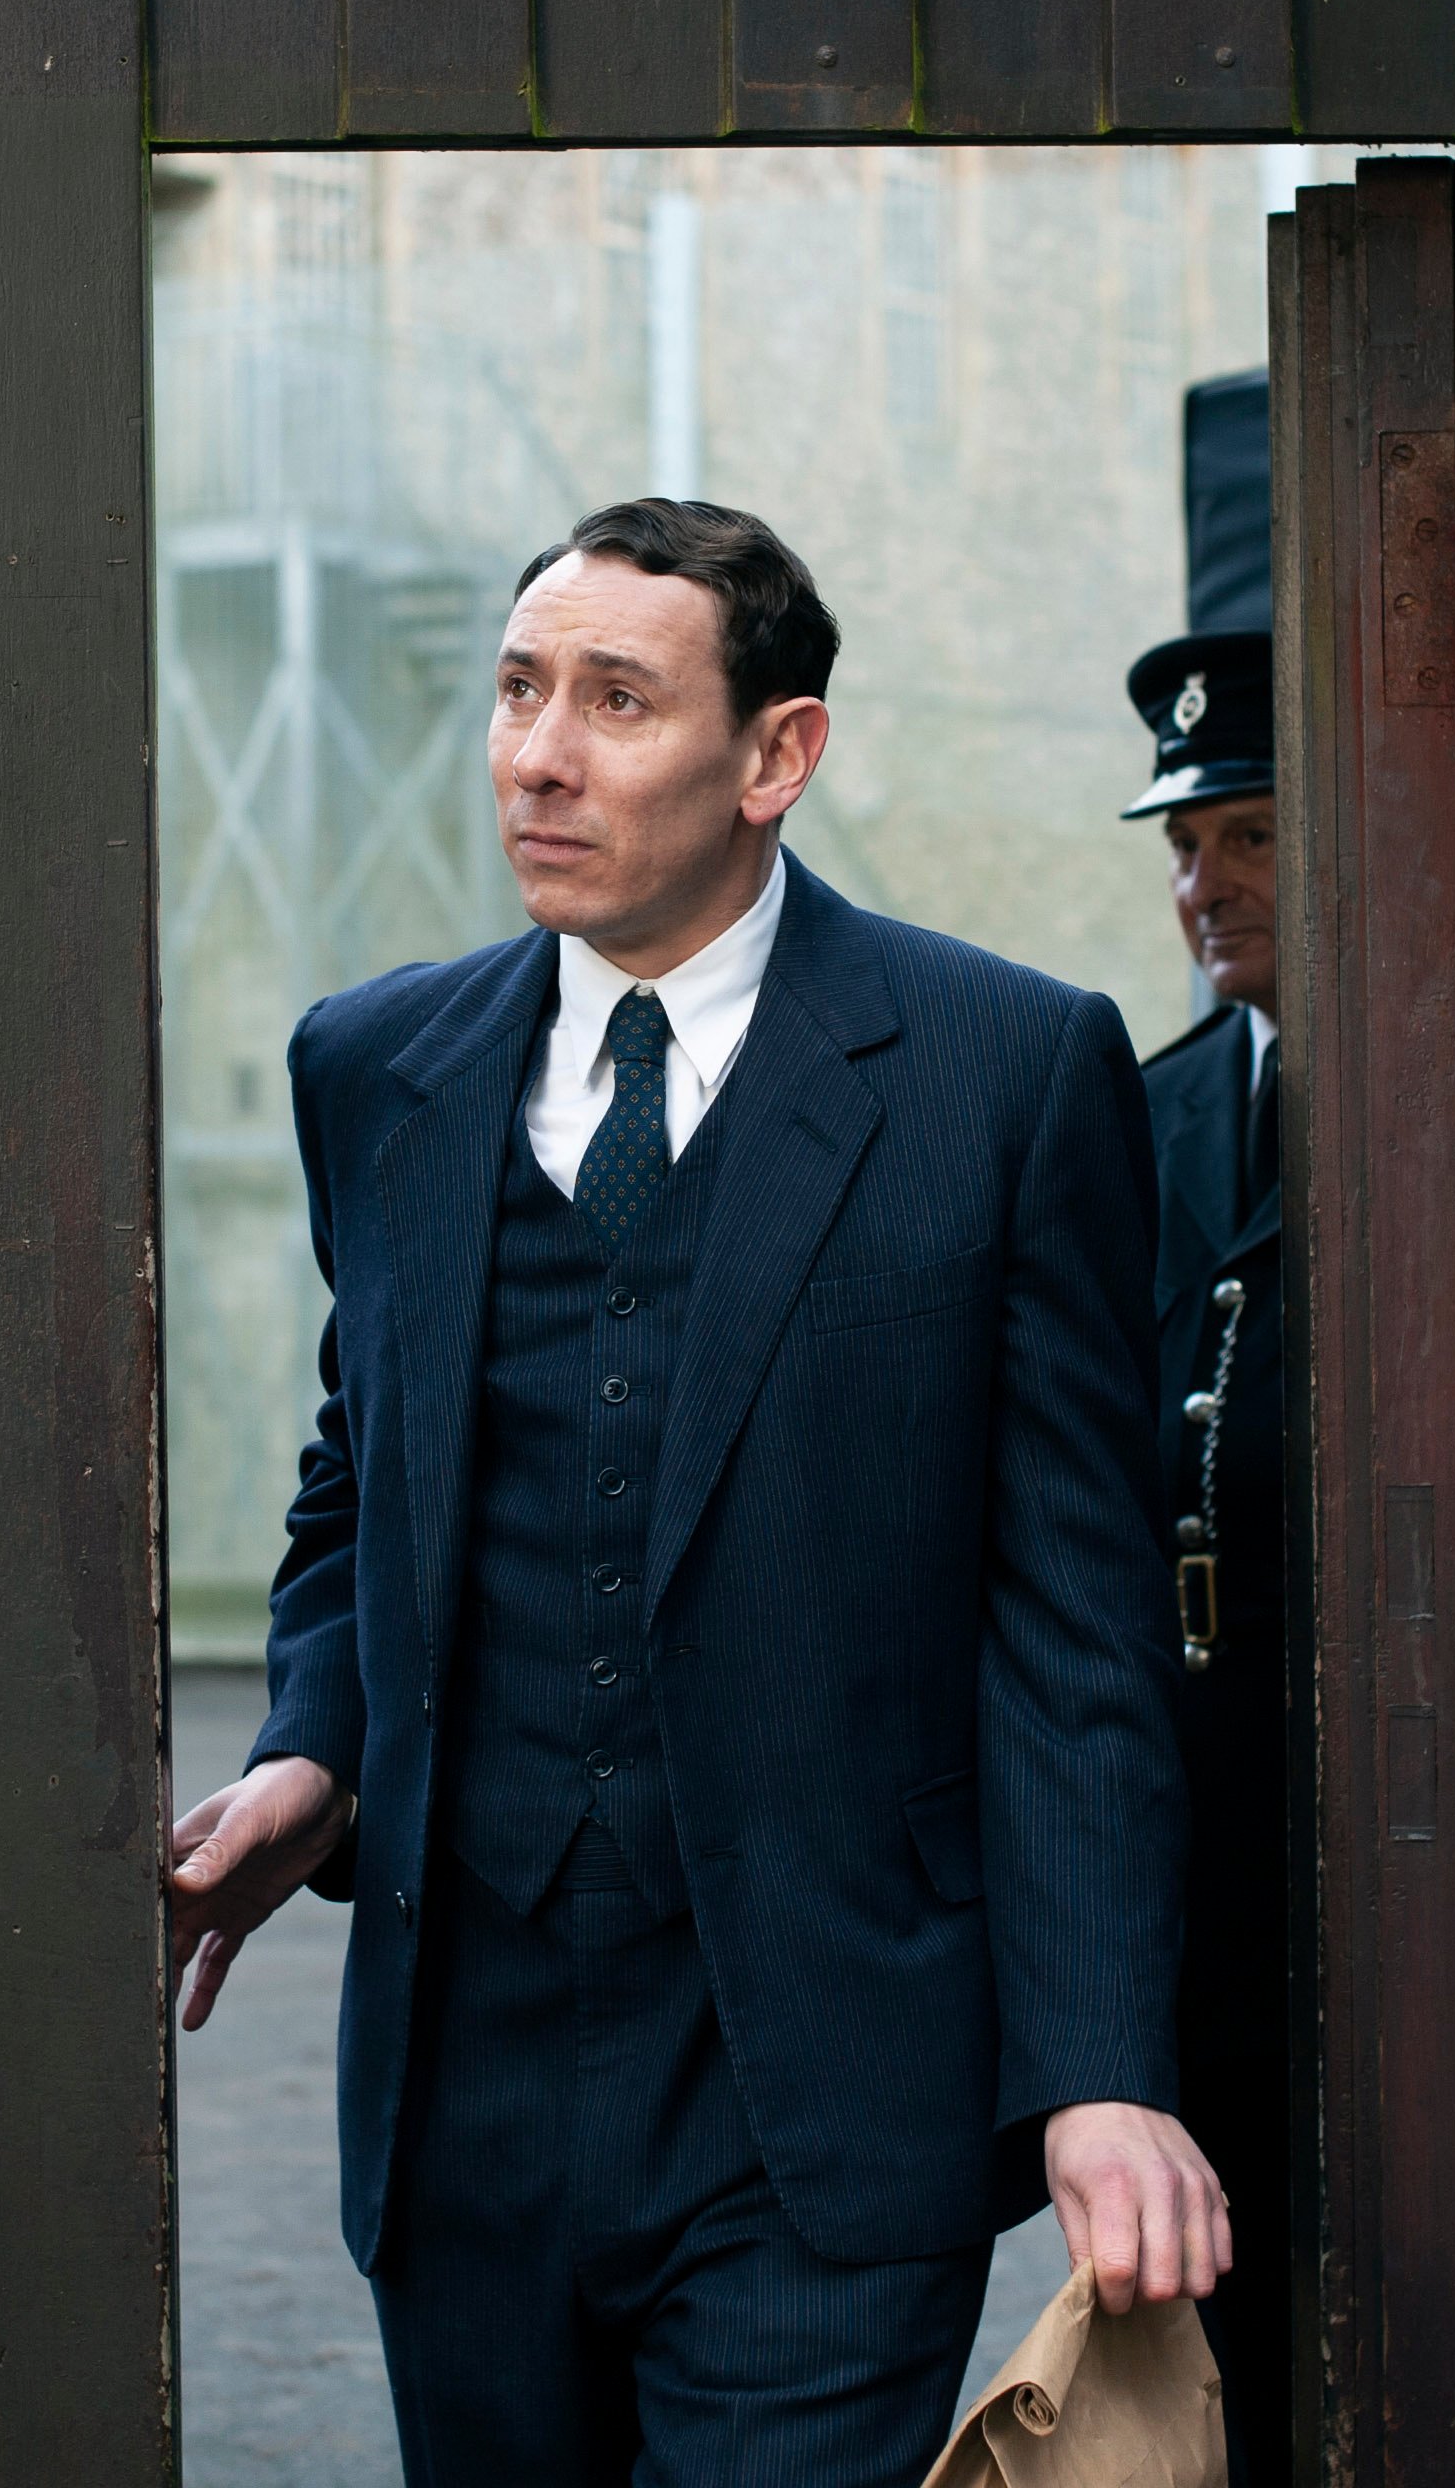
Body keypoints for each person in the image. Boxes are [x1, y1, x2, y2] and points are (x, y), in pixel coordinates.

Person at [168, 497, 1225, 2486]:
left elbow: (1072, 1620)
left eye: (614, 700)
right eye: (512, 691)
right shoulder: (373, 1067)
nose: (535, 753)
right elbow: (352, 1487)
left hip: (820, 2089)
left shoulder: (1001, 1073)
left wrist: (1095, 2075)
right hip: (460, 2092)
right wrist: (313, 1744)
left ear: (774, 757)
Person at [1116, 366, 1290, 2487]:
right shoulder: (1139, 1125)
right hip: (1186, 1886)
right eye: (1186, 838)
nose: (1199, 882)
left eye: (1247, 832)